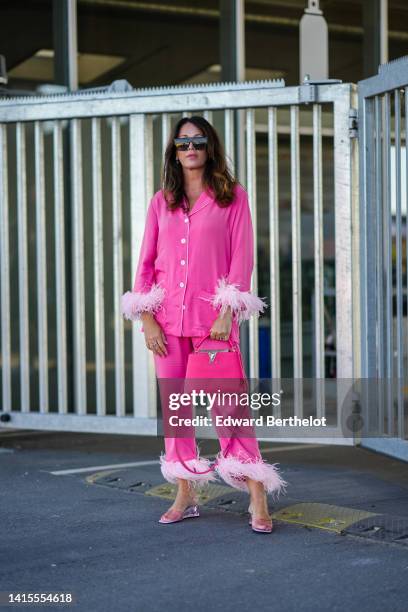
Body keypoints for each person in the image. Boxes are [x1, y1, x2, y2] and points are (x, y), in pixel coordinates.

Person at [121, 115, 287, 533]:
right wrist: (147, 318)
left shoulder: (234, 197)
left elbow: (241, 258)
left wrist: (227, 311)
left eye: (197, 141)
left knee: (229, 408)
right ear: (174, 152)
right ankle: (186, 492)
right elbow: (145, 265)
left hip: (213, 323)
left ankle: (256, 495)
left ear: (209, 146)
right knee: (176, 412)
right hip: (166, 324)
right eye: (182, 143)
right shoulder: (163, 201)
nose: (189, 148)